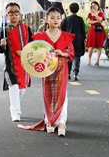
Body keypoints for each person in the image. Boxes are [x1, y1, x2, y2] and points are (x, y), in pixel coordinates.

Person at [18, 7, 75, 136]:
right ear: (47, 19)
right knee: (47, 94)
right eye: (53, 17)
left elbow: (71, 52)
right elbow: (31, 53)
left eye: (58, 17)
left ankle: (61, 122)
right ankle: (49, 120)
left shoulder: (66, 36)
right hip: (46, 70)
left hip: (61, 68)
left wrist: (64, 53)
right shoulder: (40, 37)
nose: (56, 20)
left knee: (62, 94)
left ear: (62, 19)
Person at [0, 3, 33, 122]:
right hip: (10, 65)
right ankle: (16, 112)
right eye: (11, 13)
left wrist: (25, 52)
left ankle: (14, 106)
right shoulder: (4, 30)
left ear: (20, 14)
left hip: (25, 65)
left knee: (22, 89)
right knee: (14, 87)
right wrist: (2, 45)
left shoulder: (26, 29)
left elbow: (33, 45)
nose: (14, 15)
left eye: (16, 12)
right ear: (7, 15)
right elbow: (0, 50)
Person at [61, 2, 87, 81]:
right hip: (78, 40)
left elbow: (62, 27)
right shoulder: (80, 19)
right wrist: (84, 38)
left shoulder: (67, 19)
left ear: (70, 9)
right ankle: (76, 73)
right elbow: (83, 30)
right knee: (77, 57)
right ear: (78, 9)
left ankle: (68, 73)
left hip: (69, 40)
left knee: (69, 57)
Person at [85, 1, 107, 66]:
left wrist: (95, 14)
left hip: (100, 30)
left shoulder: (101, 13)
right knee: (91, 45)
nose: (94, 7)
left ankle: (97, 60)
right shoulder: (89, 13)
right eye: (92, 5)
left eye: (95, 5)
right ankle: (89, 60)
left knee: (100, 46)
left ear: (98, 6)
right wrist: (97, 21)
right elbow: (89, 21)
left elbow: (100, 20)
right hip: (93, 30)